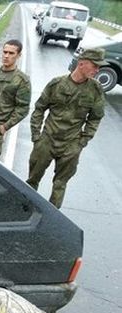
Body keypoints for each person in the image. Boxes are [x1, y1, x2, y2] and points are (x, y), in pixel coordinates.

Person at [27, 48, 107, 208]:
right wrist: (37, 136)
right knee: (32, 180)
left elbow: (95, 118)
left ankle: (52, 219)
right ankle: (25, 209)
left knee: (60, 185)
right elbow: (39, 108)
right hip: (47, 140)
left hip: (71, 145)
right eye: (95, 65)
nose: (97, 70)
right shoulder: (57, 84)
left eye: (99, 67)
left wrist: (82, 142)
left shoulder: (95, 89)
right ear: (82, 63)